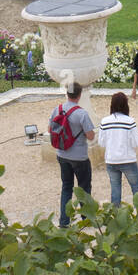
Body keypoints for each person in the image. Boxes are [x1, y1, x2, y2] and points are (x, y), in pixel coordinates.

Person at [50, 81, 96, 228]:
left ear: (67, 93)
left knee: (66, 187)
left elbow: (50, 128)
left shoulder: (57, 109)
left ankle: (64, 221)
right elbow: (90, 136)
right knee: (84, 188)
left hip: (62, 154)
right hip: (79, 156)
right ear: (79, 95)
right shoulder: (82, 113)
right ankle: (86, 219)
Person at [99, 91, 138, 206]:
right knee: (137, 188)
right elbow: (136, 143)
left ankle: (116, 217)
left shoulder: (104, 122)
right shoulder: (130, 121)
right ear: (126, 105)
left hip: (111, 160)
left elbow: (101, 143)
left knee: (115, 190)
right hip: (128, 160)